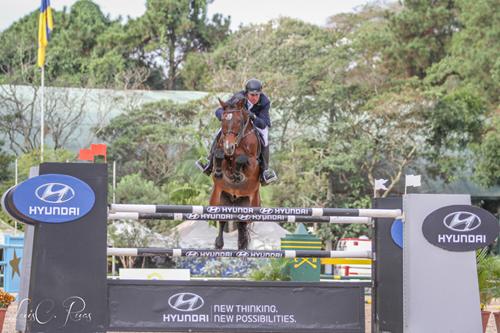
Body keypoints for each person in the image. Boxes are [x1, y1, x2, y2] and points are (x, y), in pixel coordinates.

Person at [196, 79, 277, 186]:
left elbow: (263, 123)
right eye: (252, 94)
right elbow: (220, 109)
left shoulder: (265, 102)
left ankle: (264, 171)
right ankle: (209, 162)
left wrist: (252, 116)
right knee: (221, 131)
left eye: (257, 95)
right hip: (238, 122)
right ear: (246, 93)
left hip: (256, 123)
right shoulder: (238, 97)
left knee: (265, 137)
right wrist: (224, 116)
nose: (255, 97)